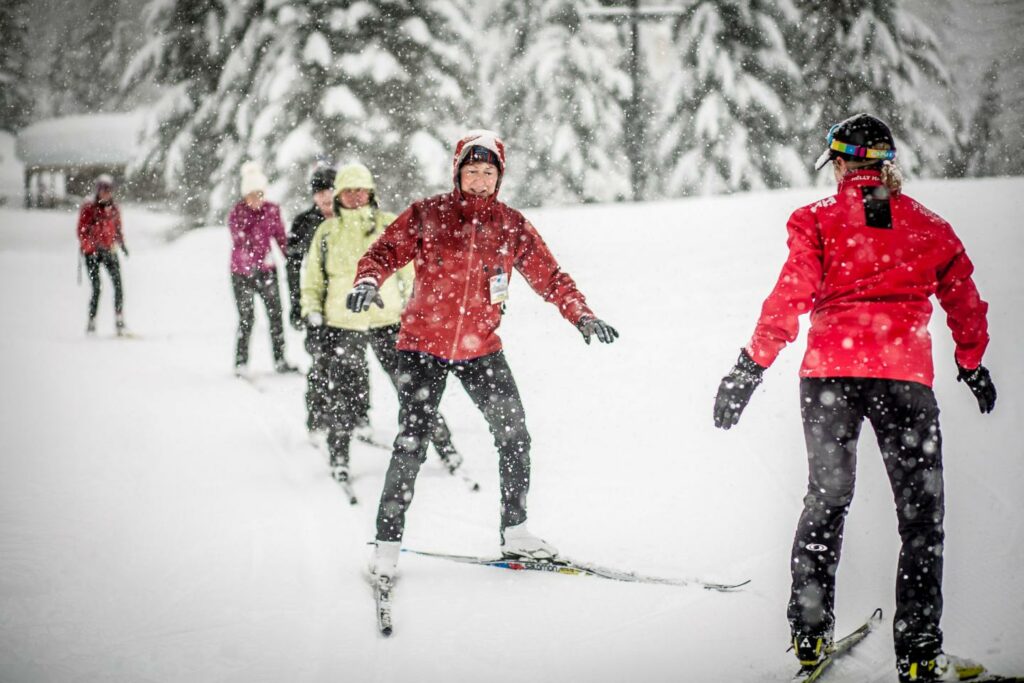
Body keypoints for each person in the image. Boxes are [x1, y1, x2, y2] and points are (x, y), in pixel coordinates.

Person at [712, 114, 996, 683]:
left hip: (829, 380)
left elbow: (789, 295)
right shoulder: (929, 226)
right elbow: (964, 298)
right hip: (904, 381)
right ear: (886, 166)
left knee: (827, 501)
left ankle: (810, 636)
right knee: (921, 521)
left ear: (840, 164)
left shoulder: (816, 221)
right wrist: (971, 362)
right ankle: (918, 652)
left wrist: (750, 367)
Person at [348, 130, 618, 581]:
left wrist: (582, 315)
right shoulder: (428, 214)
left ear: (499, 176)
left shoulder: (510, 225)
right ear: (457, 172)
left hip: (481, 349)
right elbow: (382, 252)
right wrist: (367, 281)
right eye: (470, 171)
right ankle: (387, 545)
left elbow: (550, 277)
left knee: (514, 435)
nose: (478, 181)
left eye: (487, 172)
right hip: (422, 348)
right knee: (411, 443)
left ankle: (515, 531)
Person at [301, 162, 466, 484]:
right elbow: (312, 280)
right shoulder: (326, 232)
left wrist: (416, 311)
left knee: (414, 391)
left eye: (360, 189)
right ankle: (339, 456)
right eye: (347, 190)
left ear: (371, 192)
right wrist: (312, 314)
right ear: (338, 196)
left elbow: (412, 275)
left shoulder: (389, 225)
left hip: (390, 321)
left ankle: (447, 448)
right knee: (344, 397)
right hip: (343, 324)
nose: (354, 196)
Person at [228, 161, 296, 375]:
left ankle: (280, 360)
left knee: (276, 316)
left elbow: (280, 238)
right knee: (247, 318)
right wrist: (251, 262)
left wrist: (291, 258)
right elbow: (240, 241)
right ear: (244, 195)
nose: (256, 199)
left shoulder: (272, 211)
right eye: (251, 195)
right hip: (242, 273)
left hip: (267, 271)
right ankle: (241, 363)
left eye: (259, 194)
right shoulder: (237, 213)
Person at [287, 166, 340, 432]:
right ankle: (318, 414)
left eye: (329, 189)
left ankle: (358, 415)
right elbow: (293, 268)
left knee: (353, 362)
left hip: (345, 303)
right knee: (320, 359)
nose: (325, 196)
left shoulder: (349, 217)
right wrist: (296, 304)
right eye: (319, 191)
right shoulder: (303, 223)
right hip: (315, 302)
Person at [78, 174, 128, 335]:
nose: (106, 193)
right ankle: (92, 321)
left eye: (108, 190)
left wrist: (121, 243)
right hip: (91, 253)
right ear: (97, 191)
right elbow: (81, 231)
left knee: (118, 285)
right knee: (97, 288)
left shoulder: (114, 209)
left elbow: (117, 228)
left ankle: (119, 320)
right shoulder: (89, 208)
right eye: (103, 190)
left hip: (109, 250)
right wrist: (90, 246)